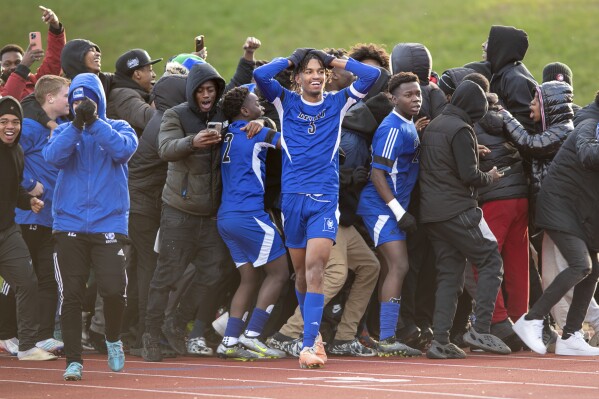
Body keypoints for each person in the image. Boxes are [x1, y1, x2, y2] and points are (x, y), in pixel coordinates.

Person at [253, 48, 380, 368]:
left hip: (324, 200)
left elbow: (372, 75)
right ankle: (313, 334)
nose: (315, 76)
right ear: (297, 79)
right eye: (308, 72)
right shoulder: (285, 101)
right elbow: (260, 75)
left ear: (327, 76)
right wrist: (291, 59)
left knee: (315, 271)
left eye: (320, 72)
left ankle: (309, 343)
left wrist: (331, 60)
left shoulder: (338, 102)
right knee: (300, 277)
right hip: (292, 201)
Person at [43, 73, 138, 380]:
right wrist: (76, 126)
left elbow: (123, 151)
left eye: (87, 101)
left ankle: (113, 339)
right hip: (69, 224)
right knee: (71, 293)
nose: (81, 106)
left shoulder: (119, 127)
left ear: (99, 101)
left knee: (113, 289)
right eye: (76, 101)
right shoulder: (64, 132)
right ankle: (74, 360)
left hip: (108, 222)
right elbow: (52, 157)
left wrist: (95, 123)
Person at [418, 80, 510, 359]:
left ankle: (440, 340)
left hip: (432, 214)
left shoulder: (437, 123)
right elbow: (470, 176)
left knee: (449, 277)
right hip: (458, 210)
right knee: (490, 259)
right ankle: (480, 328)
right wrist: (491, 177)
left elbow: (444, 161)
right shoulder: (461, 128)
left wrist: (472, 150)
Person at [513, 117, 599, 356]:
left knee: (593, 270)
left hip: (581, 212)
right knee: (581, 265)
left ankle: (571, 335)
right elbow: (589, 155)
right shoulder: (589, 125)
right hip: (560, 207)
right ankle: (531, 319)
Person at [215, 86, 289, 359]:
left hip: (226, 217)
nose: (261, 104)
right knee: (279, 273)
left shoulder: (227, 133)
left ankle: (230, 340)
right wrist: (267, 124)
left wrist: (264, 120)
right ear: (245, 111)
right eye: (256, 102)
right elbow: (292, 144)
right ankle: (252, 335)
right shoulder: (257, 133)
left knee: (249, 278)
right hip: (250, 215)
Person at [356, 72, 423, 357]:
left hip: (390, 208)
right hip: (381, 208)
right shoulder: (392, 127)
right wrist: (398, 211)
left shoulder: (407, 125)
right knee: (399, 266)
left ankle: (382, 335)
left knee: (390, 268)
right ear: (393, 99)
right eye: (408, 95)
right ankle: (386, 338)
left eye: (418, 94)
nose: (415, 99)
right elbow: (377, 173)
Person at [14, 75, 71, 354]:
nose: (70, 101)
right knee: (25, 278)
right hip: (29, 216)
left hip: (52, 217)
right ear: (50, 98)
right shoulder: (31, 128)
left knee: (46, 277)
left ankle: (42, 334)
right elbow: (10, 157)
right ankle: (13, 334)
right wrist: (29, 185)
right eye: (66, 95)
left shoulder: (58, 127)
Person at [0, 96, 57, 361]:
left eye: (15, 122)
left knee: (27, 281)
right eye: (3, 121)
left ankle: (26, 345)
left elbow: (13, 191)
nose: (10, 127)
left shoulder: (17, 152)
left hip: (7, 229)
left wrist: (29, 200)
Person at [0, 6, 65, 100]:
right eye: (7, 64)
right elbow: (7, 102)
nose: (13, 67)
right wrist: (22, 67)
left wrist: (55, 26)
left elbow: (54, 61)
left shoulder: (38, 82)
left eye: (18, 62)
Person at [483, 25, 537, 132]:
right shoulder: (500, 73)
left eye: (489, 41)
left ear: (501, 47)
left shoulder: (516, 80)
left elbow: (526, 127)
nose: (483, 45)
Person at [107, 49, 162, 135]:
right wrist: (167, 87)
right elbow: (151, 119)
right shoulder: (123, 95)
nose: (154, 75)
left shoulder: (131, 91)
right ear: (137, 74)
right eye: (150, 70)